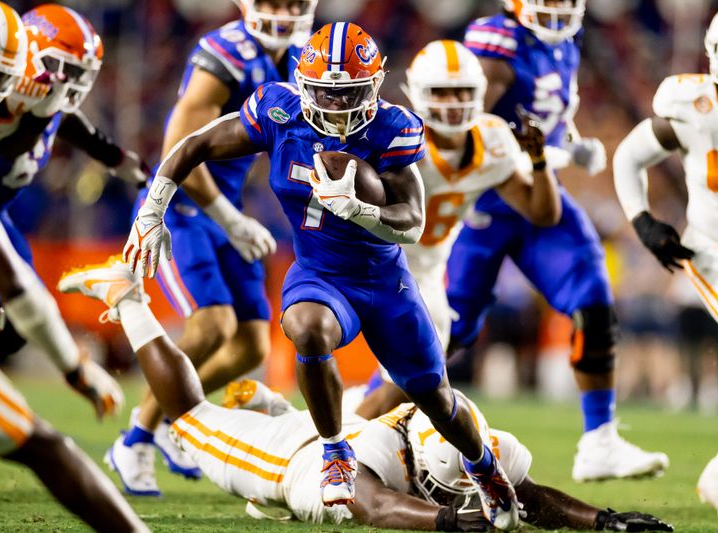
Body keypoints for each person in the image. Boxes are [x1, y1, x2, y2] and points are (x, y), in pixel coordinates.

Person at [118, 22, 522, 528]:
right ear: (305, 86)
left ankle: (484, 468)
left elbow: (412, 222)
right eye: (326, 94)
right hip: (320, 273)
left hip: (384, 281)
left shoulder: (393, 128)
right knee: (306, 328)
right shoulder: (279, 110)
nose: (335, 107)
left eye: (348, 93)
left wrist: (357, 209)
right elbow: (195, 142)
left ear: (374, 85)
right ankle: (335, 451)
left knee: (434, 396)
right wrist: (152, 210)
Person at [58, 258, 673, 532]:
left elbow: (530, 498)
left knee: (382, 395)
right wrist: (453, 523)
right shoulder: (381, 461)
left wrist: (604, 522)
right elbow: (372, 507)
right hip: (301, 463)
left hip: (347, 423)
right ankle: (130, 300)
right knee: (191, 415)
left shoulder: (465, 444)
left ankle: (272, 403)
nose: (468, 491)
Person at [444, 0, 669, 482]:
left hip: (543, 190)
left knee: (594, 301)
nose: (557, 7)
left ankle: (600, 440)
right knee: (444, 331)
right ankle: (364, 419)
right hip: (487, 199)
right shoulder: (498, 41)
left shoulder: (566, 40)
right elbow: (466, 123)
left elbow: (543, 115)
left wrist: (567, 144)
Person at [106, 0, 317, 496]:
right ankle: (138, 435)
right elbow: (180, 147)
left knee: (251, 345)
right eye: (273, 2)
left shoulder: (304, 56)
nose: (284, 12)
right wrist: (230, 218)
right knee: (212, 324)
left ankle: (173, 414)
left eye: (293, 3)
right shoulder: (229, 52)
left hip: (228, 210)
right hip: (181, 206)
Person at [0, 2, 146, 531]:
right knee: (42, 443)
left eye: (2, 79)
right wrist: (74, 367)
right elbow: (19, 289)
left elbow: (60, 114)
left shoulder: (31, 105)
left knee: (7, 338)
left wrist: (111, 156)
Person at [614, 0, 718, 520]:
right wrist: (642, 219)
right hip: (715, 251)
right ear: (713, 55)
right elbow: (630, 155)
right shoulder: (692, 105)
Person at [355, 39, 561, 418]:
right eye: (441, 92)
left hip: (428, 270)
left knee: (416, 380)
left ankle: (351, 430)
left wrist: (538, 160)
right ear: (415, 94)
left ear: (480, 93)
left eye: (462, 92)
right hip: (376, 260)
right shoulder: (394, 135)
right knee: (413, 375)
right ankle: (334, 447)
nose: (451, 103)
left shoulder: (493, 139)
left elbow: (541, 212)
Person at [0, 3, 148, 366]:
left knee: (18, 322)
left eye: (80, 72)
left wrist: (113, 157)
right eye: (63, 67)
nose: (71, 81)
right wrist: (41, 113)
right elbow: (11, 144)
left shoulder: (42, 102)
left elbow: (64, 120)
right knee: (0, 312)